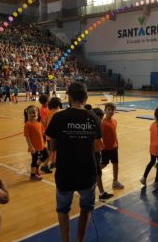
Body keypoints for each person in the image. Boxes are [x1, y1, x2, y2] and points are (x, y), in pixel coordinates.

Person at [45, 82, 102, 242]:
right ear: (86, 98)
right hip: (87, 172)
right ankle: (79, 240)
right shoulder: (94, 118)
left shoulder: (58, 117)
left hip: (65, 171)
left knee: (63, 209)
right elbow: (95, 147)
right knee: (86, 208)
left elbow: (53, 147)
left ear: (68, 97)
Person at [140, 107, 158, 189]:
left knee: (152, 162)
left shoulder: (152, 125)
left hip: (152, 147)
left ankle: (143, 178)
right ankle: (156, 182)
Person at [91, 108, 114, 201]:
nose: (101, 120)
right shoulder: (96, 126)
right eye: (100, 118)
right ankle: (101, 193)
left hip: (93, 151)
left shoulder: (89, 124)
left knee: (95, 172)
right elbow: (98, 140)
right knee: (97, 173)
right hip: (94, 152)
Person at [24, 105, 51, 181]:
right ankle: (32, 176)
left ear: (37, 113)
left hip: (41, 144)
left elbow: (42, 133)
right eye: (30, 113)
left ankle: (37, 167)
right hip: (34, 146)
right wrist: (31, 146)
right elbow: (27, 137)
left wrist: (44, 141)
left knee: (46, 155)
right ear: (27, 114)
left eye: (34, 112)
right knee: (34, 159)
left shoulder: (39, 123)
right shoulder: (27, 124)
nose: (33, 114)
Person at [101, 103, 124, 190]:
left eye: (112, 110)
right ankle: (93, 176)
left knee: (115, 164)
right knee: (103, 164)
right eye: (109, 109)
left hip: (114, 147)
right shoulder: (103, 123)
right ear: (105, 111)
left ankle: (115, 181)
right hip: (105, 148)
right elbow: (101, 136)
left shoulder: (114, 121)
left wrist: (116, 143)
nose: (111, 111)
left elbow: (114, 134)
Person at [44, 97, 62, 169]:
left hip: (49, 135)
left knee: (53, 150)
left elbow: (45, 124)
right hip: (56, 136)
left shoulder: (49, 112)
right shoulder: (60, 112)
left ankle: (53, 163)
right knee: (52, 151)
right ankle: (45, 165)